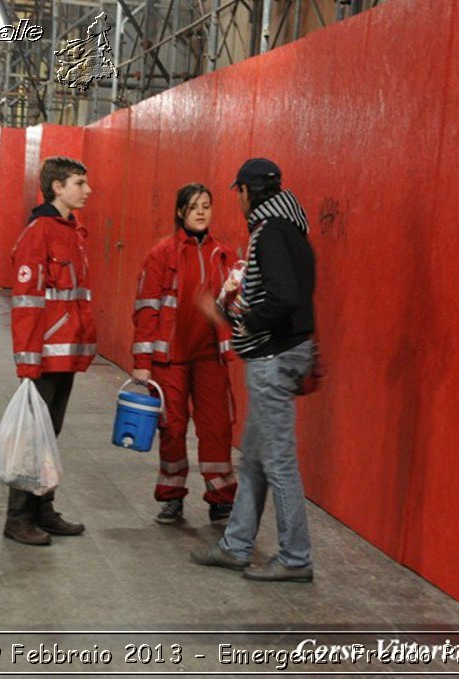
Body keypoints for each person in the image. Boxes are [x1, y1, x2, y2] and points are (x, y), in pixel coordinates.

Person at [190, 158, 317, 582]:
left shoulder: (271, 233)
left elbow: (284, 298)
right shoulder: (292, 227)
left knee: (277, 461)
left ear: (246, 191)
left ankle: (296, 558)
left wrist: (239, 318)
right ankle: (236, 545)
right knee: (255, 461)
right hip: (285, 351)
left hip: (271, 357)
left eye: (237, 193)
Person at [131, 183, 239, 526]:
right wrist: (142, 363)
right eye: (194, 207)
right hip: (170, 359)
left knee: (216, 428)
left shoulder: (224, 254)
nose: (201, 212)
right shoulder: (161, 253)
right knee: (173, 428)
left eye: (207, 205)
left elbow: (237, 307)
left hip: (210, 357)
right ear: (180, 212)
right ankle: (171, 497)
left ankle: (221, 497)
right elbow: (146, 309)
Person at [4, 156, 96, 546]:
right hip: (42, 357)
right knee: (32, 437)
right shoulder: (40, 231)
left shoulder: (72, 231)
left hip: (64, 353)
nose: (87, 190)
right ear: (57, 187)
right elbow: (26, 302)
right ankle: (18, 517)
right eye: (79, 182)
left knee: (49, 433)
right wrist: (27, 362)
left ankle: (44, 509)